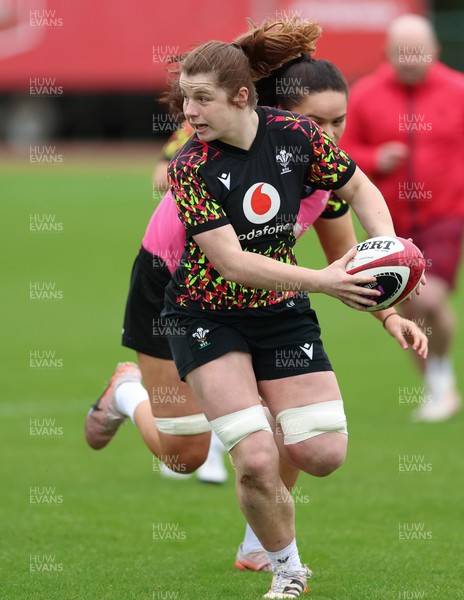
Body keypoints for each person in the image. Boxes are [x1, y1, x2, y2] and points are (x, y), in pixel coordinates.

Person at [85, 33, 427, 584]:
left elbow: (351, 259)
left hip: (270, 297)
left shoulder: (308, 157)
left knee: (292, 436)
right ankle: (127, 391)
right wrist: (320, 283)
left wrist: (389, 303)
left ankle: (258, 543)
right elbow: (243, 262)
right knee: (185, 455)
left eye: (341, 121)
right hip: (175, 288)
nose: (333, 135)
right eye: (321, 122)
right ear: (270, 107)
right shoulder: (203, 157)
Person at [342, 13, 464, 423]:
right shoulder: (365, 95)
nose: (410, 60)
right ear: (387, 54)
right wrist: (377, 158)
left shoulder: (457, 91)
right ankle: (436, 387)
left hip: (445, 214)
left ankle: (443, 374)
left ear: (436, 51)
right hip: (388, 223)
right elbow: (340, 153)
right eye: (401, 53)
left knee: (430, 296)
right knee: (408, 308)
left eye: (418, 51)